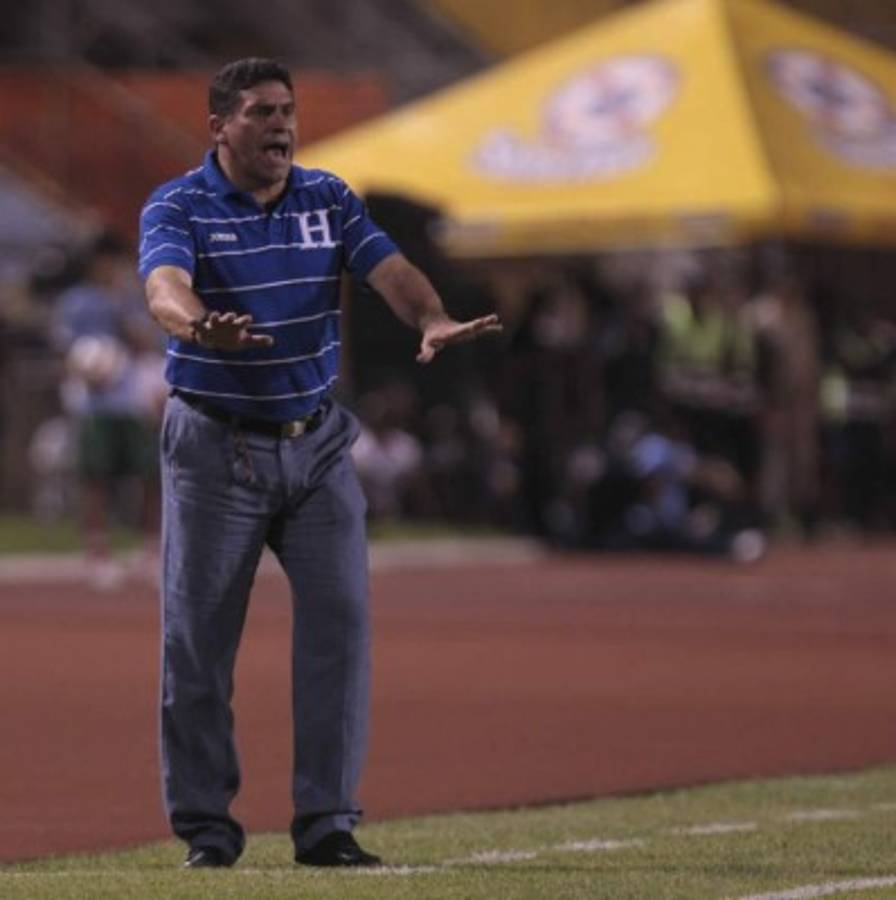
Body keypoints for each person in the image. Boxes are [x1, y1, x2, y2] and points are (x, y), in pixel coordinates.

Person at [137, 58, 501, 870]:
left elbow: (389, 271)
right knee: (198, 645)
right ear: (219, 127)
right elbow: (163, 286)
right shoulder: (178, 204)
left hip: (318, 444)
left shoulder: (328, 198)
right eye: (262, 112)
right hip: (216, 448)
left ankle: (327, 823)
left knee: (340, 627)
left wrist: (431, 317)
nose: (281, 126)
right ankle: (207, 829)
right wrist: (197, 325)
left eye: (288, 111)